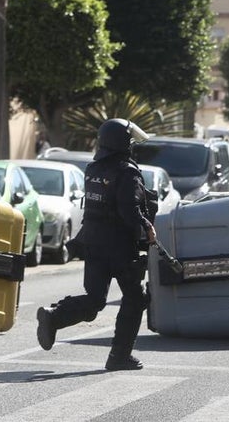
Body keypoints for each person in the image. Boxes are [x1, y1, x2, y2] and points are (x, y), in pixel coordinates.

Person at [36, 118, 156, 371]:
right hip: (120, 246)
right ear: (121, 143)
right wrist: (147, 226)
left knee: (95, 299)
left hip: (92, 242)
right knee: (135, 298)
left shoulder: (94, 169)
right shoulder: (127, 171)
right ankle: (119, 356)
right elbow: (129, 209)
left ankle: (54, 316)